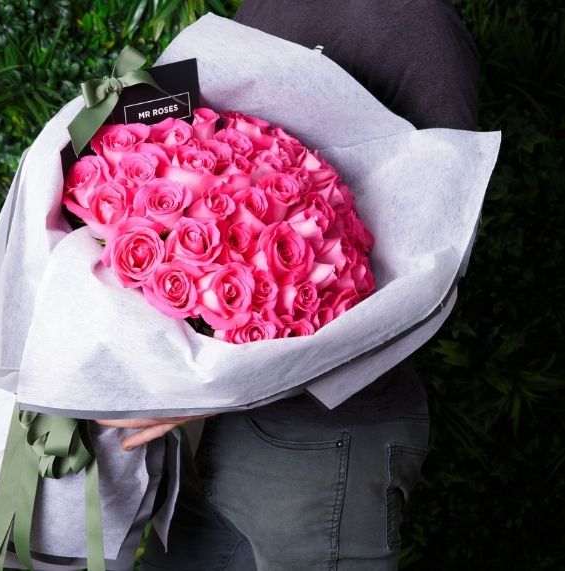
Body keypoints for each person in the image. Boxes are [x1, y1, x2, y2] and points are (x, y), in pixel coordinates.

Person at [100, 1, 480, 569]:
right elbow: (197, 148)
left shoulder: (416, 25)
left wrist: (227, 380)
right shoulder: (264, 5)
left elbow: (438, 260)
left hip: (323, 439)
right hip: (208, 430)